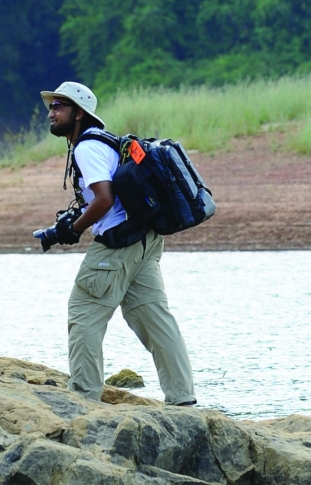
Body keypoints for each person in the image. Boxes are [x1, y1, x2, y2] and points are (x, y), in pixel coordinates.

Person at [40, 81, 196, 406]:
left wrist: (75, 229)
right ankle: (183, 400)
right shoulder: (103, 143)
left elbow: (105, 199)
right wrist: (65, 224)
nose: (51, 112)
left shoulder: (86, 147)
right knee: (154, 318)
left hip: (118, 246)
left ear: (79, 113)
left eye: (59, 106)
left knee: (83, 313)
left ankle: (83, 402)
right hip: (145, 240)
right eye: (51, 106)